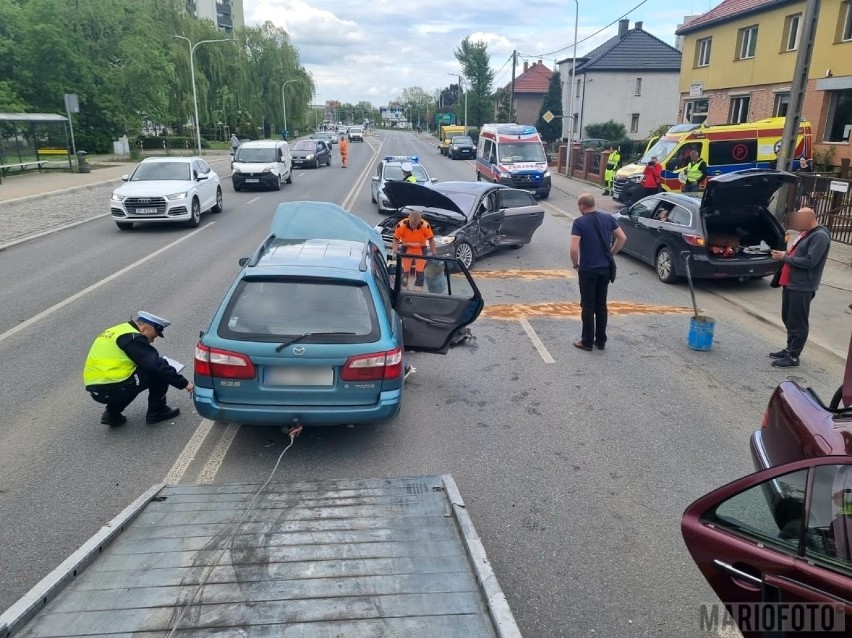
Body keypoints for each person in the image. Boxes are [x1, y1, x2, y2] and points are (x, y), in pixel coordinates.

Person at [83, 312, 193, 426]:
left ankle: (112, 414)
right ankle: (158, 411)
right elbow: (156, 365)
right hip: (113, 387)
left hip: (96, 388)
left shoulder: (118, 330)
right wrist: (185, 384)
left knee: (133, 378)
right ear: (145, 327)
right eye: (153, 336)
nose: (152, 341)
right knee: (159, 369)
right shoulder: (133, 338)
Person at [769, 207, 831, 368]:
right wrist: (783, 255)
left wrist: (784, 257)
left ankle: (793, 356)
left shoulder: (820, 237)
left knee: (798, 322)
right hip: (790, 282)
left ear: (809, 219)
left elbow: (810, 262)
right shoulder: (806, 233)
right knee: (788, 317)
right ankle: (789, 349)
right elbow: (796, 255)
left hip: (803, 285)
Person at [569, 193, 627, 351]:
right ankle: (601, 340)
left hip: (588, 270)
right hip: (605, 269)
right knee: (601, 305)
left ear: (582, 206)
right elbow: (622, 238)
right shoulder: (608, 218)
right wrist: (611, 253)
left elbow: (574, 248)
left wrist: (576, 264)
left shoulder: (579, 222)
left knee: (587, 306)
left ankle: (587, 341)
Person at [392, 210, 438, 291]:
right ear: (409, 218)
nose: (413, 226)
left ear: (419, 221)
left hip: (420, 249)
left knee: (420, 273)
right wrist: (394, 251)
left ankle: (417, 292)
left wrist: (434, 254)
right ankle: (404, 291)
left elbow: (431, 240)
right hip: (406, 248)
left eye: (415, 224)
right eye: (412, 224)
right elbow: (395, 240)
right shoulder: (401, 225)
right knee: (404, 272)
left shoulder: (425, 226)